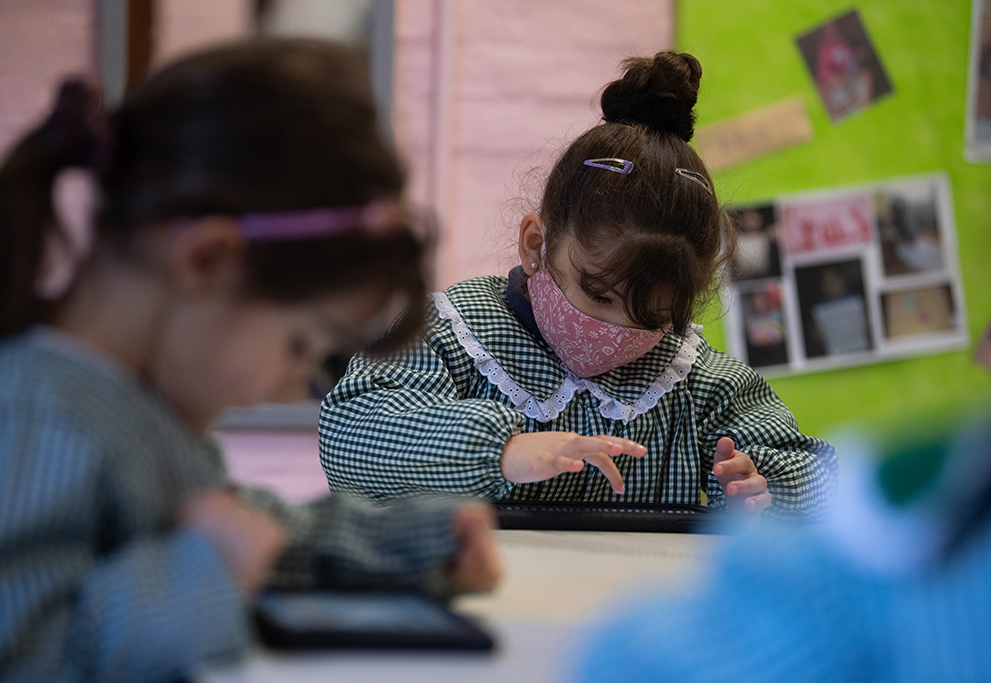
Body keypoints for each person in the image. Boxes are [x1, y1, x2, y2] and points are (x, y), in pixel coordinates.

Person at [0, 39, 500, 682]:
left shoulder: (137, 409)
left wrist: (406, 543)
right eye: (300, 344)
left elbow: (250, 528)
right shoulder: (30, 418)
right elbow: (4, 660)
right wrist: (203, 569)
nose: (294, 383)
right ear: (206, 260)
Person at [320, 50, 837, 520]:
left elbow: (825, 482)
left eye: (652, 318)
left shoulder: (698, 383)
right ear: (535, 245)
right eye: (598, 295)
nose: (615, 331)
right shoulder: (450, 337)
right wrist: (501, 451)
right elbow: (351, 437)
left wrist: (769, 486)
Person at [572, 393, 991, 682]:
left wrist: (757, 489)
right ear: (534, 257)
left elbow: (809, 478)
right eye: (598, 292)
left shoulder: (714, 382)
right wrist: (506, 450)